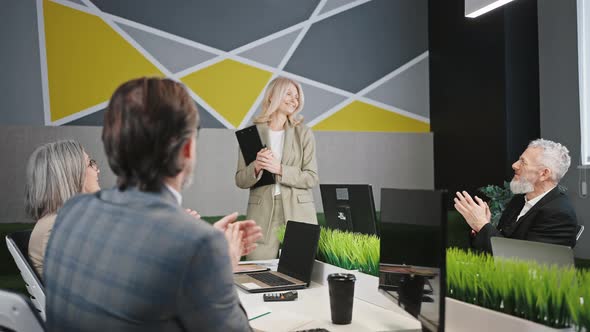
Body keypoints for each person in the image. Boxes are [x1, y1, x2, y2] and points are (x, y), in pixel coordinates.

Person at [43, 77, 260, 331]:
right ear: (187, 149)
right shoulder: (199, 246)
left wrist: (202, 244)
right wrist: (223, 262)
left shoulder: (72, 212)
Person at [236, 77, 319, 260]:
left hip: (299, 212)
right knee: (258, 272)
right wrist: (256, 167)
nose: (294, 100)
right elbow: (241, 180)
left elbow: (311, 177)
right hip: (262, 214)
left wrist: (280, 169)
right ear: (272, 95)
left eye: (297, 96)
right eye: (288, 93)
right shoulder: (251, 134)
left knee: (299, 274)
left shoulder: (304, 133)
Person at [454, 138, 578, 253]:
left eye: (523, 162)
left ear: (544, 174)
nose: (514, 165)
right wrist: (481, 227)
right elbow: (502, 243)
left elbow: (524, 259)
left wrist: (482, 225)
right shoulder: (519, 200)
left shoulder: (559, 214)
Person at [25, 140, 100, 278]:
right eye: (90, 163)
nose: (97, 170)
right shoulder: (56, 227)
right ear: (70, 173)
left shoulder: (62, 221)